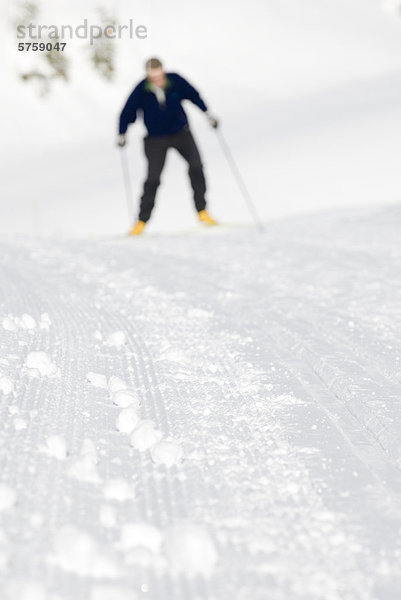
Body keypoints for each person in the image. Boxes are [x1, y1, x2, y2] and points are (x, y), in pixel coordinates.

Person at [118, 57, 219, 235]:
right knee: (153, 179)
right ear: (148, 75)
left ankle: (202, 211)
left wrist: (207, 114)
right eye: (153, 77)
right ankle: (141, 222)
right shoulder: (142, 89)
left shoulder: (175, 80)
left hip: (182, 134)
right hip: (155, 140)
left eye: (159, 75)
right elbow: (128, 111)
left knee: (196, 167)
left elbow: (193, 95)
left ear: (163, 71)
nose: (157, 79)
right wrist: (122, 133)